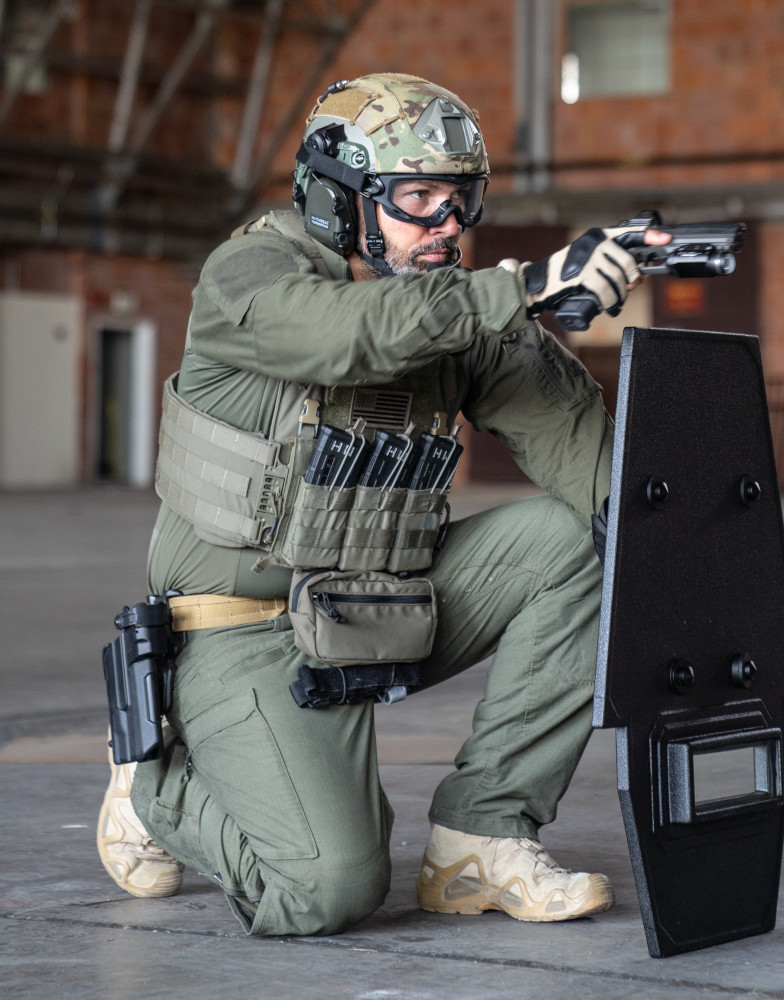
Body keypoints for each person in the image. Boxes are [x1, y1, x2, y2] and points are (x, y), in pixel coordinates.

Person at [96, 72, 670, 936]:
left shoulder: (459, 316)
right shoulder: (249, 274)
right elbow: (344, 332)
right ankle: (154, 782)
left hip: (376, 608)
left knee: (590, 542)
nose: (447, 225)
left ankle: (482, 836)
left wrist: (676, 537)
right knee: (327, 892)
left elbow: (588, 462)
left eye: (461, 201)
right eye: (418, 199)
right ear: (340, 197)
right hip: (240, 632)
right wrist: (519, 287)